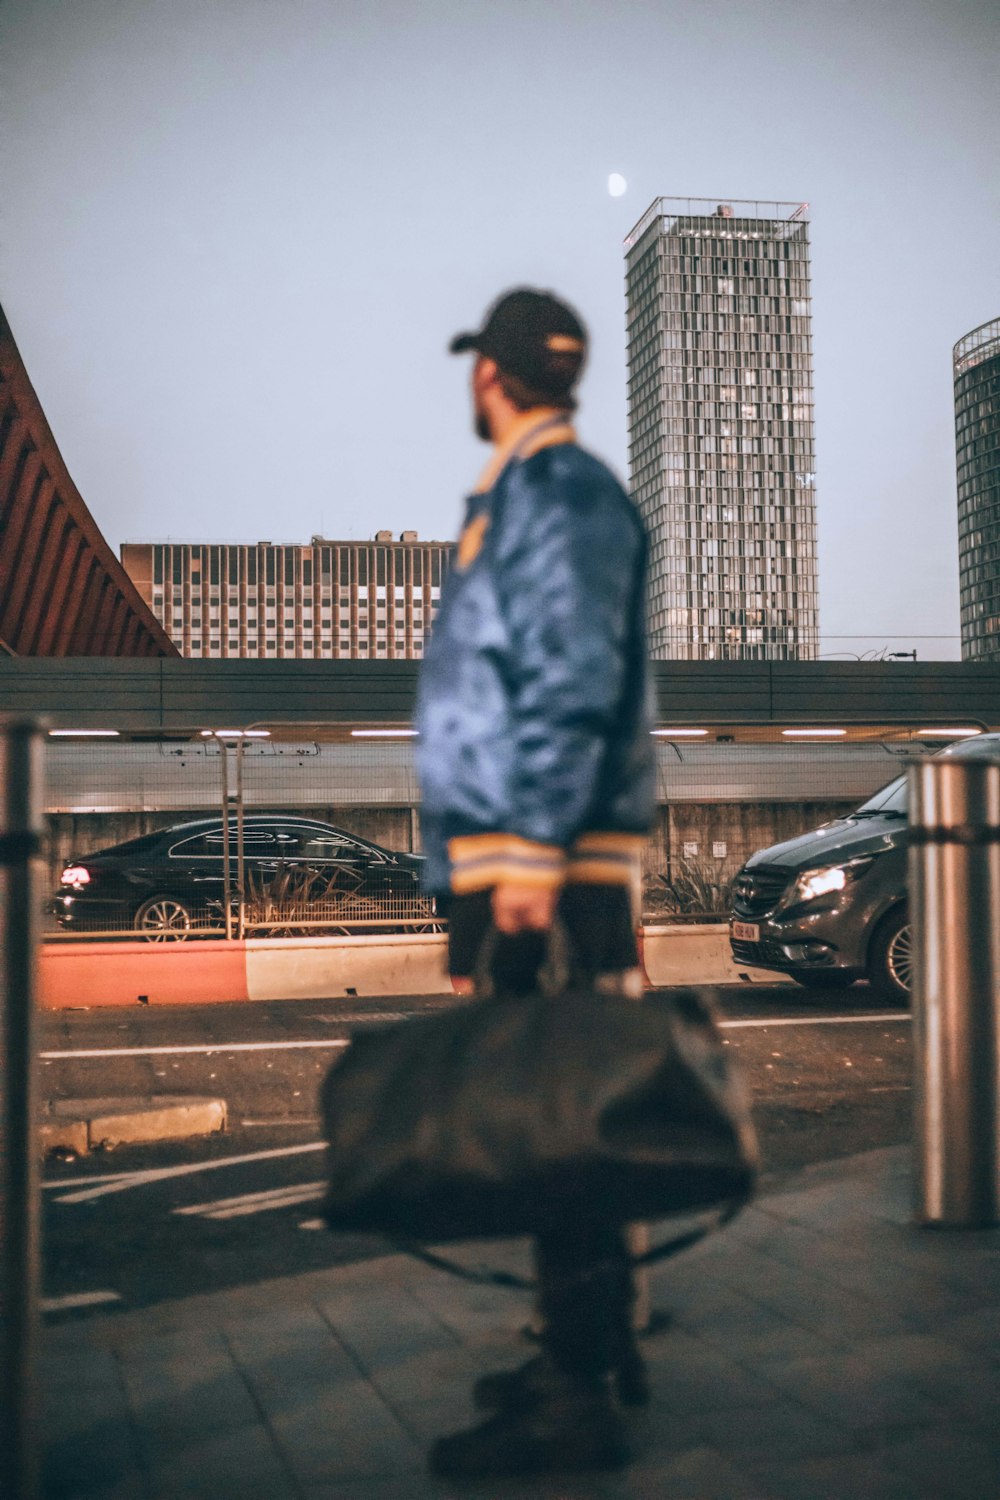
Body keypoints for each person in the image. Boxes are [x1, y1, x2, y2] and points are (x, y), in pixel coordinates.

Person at [414, 286, 656, 1478]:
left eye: (475, 367)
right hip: (524, 848)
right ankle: (583, 1354)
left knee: (555, 1128)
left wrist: (528, 858)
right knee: (548, 1121)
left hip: (535, 859)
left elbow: (561, 680)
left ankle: (576, 1394)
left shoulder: (556, 494)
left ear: (491, 375)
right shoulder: (534, 493)